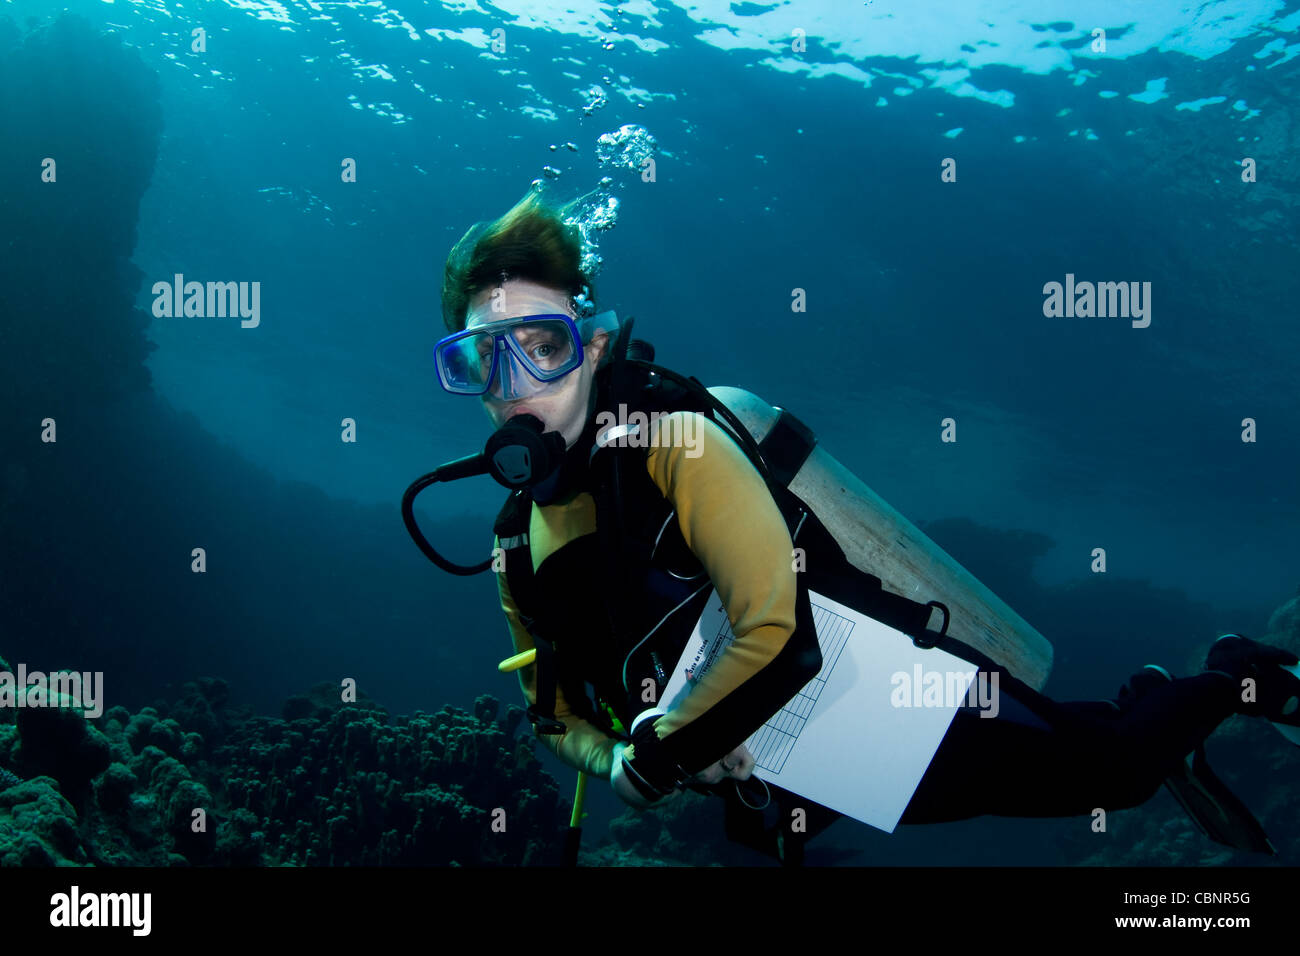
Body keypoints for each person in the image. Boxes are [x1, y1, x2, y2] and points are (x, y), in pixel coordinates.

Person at [430, 190, 1300, 864]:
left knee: (1112, 774)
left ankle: (1237, 675)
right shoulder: (514, 543)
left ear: (591, 344)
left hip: (891, 696)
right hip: (809, 766)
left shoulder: (675, 444)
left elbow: (779, 636)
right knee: (1074, 755)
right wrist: (624, 763)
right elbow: (551, 712)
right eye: (478, 357)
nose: (514, 382)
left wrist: (665, 750)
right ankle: (1143, 704)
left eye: (539, 344)